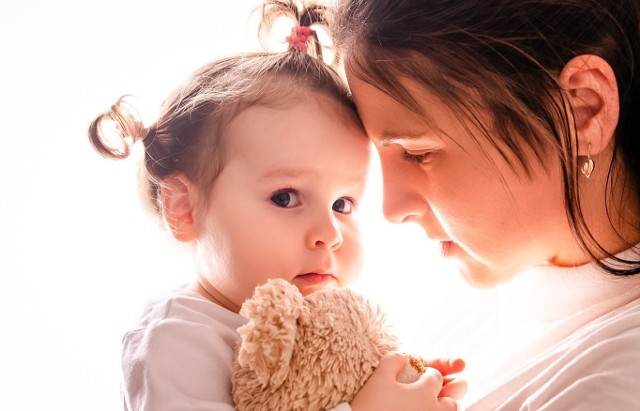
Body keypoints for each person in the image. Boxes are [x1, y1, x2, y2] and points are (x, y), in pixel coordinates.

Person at [88, 1, 463, 410]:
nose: (330, 234)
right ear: (184, 209)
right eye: (285, 198)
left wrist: (402, 380)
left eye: (342, 203)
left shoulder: (324, 330)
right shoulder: (176, 340)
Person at [331, 0, 640, 409]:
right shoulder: (471, 303)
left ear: (583, 110)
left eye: (417, 153)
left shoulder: (618, 382)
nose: (391, 209)